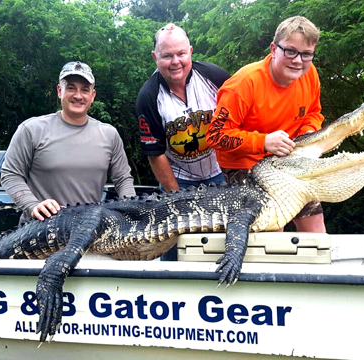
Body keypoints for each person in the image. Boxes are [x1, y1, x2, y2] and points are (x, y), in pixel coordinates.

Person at [206, 16, 326, 233]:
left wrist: (309, 133)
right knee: (274, 230)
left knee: (315, 227)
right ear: (274, 49)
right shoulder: (244, 83)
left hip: (287, 161)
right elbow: (215, 135)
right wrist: (263, 142)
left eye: (306, 54)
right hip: (245, 165)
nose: (298, 60)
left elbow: (314, 113)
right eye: (290, 51)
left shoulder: (310, 75)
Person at [136, 23, 230, 260]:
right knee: (174, 246)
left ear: (191, 51)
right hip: (178, 178)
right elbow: (155, 153)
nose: (175, 61)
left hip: (220, 172)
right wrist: (177, 198)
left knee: (224, 243)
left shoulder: (215, 77)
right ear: (155, 57)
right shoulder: (148, 96)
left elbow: (241, 123)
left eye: (181, 54)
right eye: (167, 56)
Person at [1, 61, 136, 224]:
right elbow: (11, 174)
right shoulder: (32, 129)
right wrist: (32, 205)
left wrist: (132, 211)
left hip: (87, 232)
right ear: (59, 91)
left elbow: (123, 179)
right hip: (39, 231)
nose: (78, 95)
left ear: (93, 96)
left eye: (85, 90)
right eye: (71, 88)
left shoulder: (109, 134)